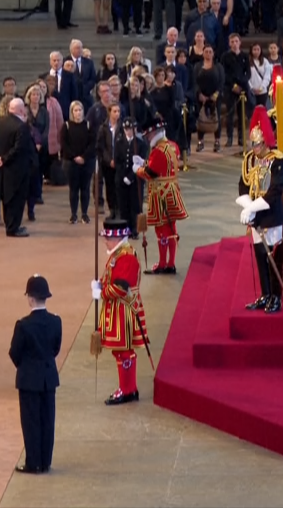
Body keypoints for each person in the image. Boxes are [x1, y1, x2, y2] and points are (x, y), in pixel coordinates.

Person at [238, 107, 283, 313]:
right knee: (260, 256)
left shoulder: (276, 160)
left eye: (258, 144)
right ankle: (265, 294)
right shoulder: (250, 159)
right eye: (253, 144)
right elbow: (243, 184)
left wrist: (253, 207)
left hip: (271, 215)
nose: (255, 148)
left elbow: (275, 190)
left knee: (273, 258)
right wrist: (247, 208)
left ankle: (275, 297)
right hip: (256, 217)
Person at [8, 275, 61, 474]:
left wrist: (26, 367)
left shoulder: (23, 325)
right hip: (49, 378)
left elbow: (15, 352)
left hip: (29, 379)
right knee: (48, 420)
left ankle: (33, 463)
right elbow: (55, 349)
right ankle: (46, 461)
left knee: (31, 422)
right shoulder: (56, 321)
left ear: (30, 298)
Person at [93, 218, 148, 405]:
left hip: (123, 310)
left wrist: (101, 292)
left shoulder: (126, 257)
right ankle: (128, 388)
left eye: (108, 238)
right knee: (121, 351)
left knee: (124, 351)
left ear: (117, 238)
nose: (105, 242)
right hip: (118, 309)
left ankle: (127, 390)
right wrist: (101, 283)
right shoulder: (119, 253)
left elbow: (120, 288)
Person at [133, 120, 189, 274]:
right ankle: (171, 262)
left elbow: (150, 173)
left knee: (162, 229)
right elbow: (160, 166)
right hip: (172, 190)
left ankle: (164, 263)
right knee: (171, 228)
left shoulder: (158, 150)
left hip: (160, 194)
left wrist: (138, 169)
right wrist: (145, 163)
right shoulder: (172, 146)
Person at [0, 98, 38, 237]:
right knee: (17, 199)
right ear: (20, 110)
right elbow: (19, 148)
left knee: (6, 198)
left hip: (3, 168)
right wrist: (5, 159)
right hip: (17, 169)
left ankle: (10, 225)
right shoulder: (21, 126)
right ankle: (13, 228)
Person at [60, 101, 96, 225]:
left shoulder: (88, 125)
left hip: (86, 162)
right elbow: (64, 143)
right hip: (71, 162)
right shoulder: (66, 126)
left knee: (85, 188)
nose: (78, 113)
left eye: (80, 110)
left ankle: (84, 214)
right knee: (73, 189)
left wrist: (83, 157)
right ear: (72, 112)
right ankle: (73, 214)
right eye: (75, 110)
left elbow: (92, 143)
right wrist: (74, 157)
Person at [113, 117, 144, 233]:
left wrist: (131, 177)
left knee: (135, 205)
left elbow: (140, 162)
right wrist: (123, 177)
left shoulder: (140, 144)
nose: (128, 131)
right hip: (121, 178)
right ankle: (125, 228)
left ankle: (134, 228)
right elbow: (118, 161)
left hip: (135, 179)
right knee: (123, 205)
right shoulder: (119, 142)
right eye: (126, 129)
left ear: (135, 129)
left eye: (130, 129)